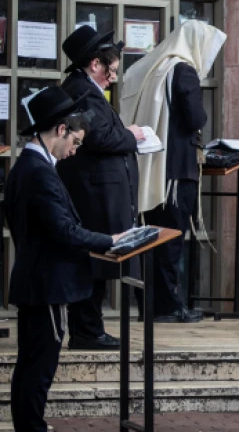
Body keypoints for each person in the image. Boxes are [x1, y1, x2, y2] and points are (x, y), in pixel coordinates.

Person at [7, 87, 123, 432]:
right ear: (61, 129)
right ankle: (32, 426)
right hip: (48, 284)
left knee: (31, 363)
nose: (75, 150)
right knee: (39, 366)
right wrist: (110, 241)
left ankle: (29, 424)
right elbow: (65, 231)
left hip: (38, 280)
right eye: (76, 141)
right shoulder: (38, 170)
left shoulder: (29, 166)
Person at [119, 20, 226, 323]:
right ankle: (167, 307)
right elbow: (196, 117)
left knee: (152, 239)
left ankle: (150, 305)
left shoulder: (156, 67)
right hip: (176, 171)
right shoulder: (184, 70)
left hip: (153, 168)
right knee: (170, 241)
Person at [57, 26, 142, 351]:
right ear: (96, 64)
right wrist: (133, 135)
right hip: (93, 193)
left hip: (99, 191)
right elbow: (100, 137)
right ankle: (87, 331)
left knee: (98, 259)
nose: (114, 77)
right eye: (113, 70)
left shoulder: (86, 89)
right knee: (92, 259)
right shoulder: (82, 90)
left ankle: (89, 329)